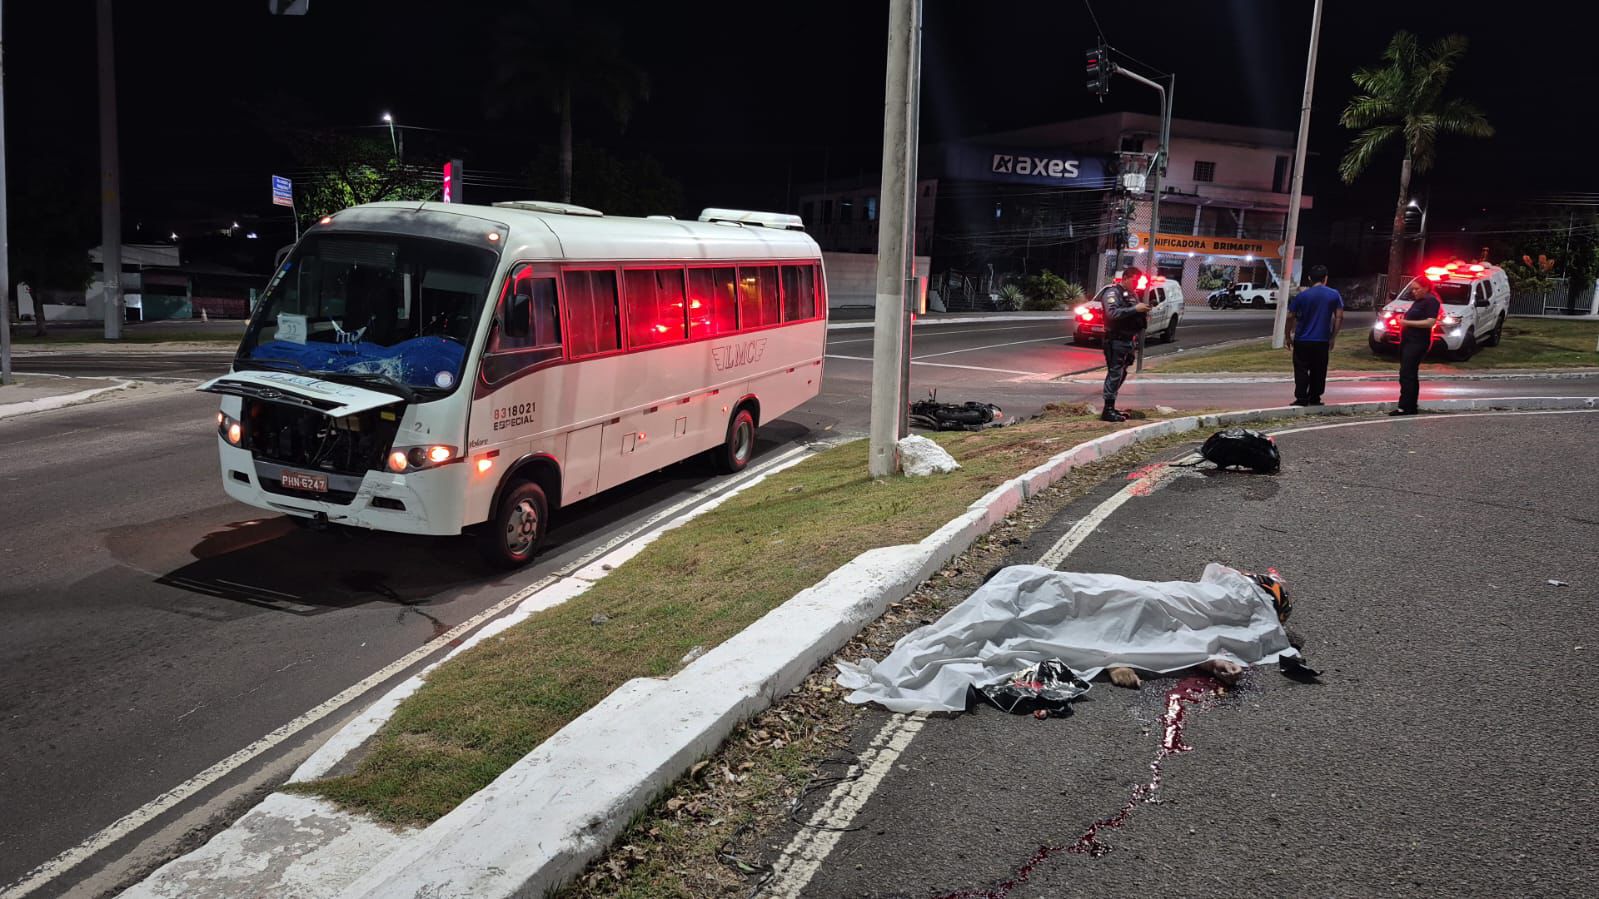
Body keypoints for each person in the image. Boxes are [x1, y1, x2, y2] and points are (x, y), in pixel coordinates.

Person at [1099, 265, 1154, 422]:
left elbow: (1132, 314)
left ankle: (1111, 406)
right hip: (1115, 340)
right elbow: (1112, 314)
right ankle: (1107, 409)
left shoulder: (1131, 295)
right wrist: (1135, 309)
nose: (1136, 284)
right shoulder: (1112, 293)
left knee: (1121, 373)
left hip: (1128, 340)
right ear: (1125, 278)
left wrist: (1143, 311)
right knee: (1115, 373)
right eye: (1134, 281)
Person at [1284, 264, 1344, 406]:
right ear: (1325, 278)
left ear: (1309, 278)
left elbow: (1290, 316)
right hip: (1322, 339)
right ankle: (1315, 397)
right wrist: (1333, 337)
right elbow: (1339, 317)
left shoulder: (1301, 296)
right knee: (1319, 370)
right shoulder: (1334, 294)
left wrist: (1287, 335)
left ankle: (1301, 398)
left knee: (1301, 369)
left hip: (1302, 339)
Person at [1393, 278, 1442, 415]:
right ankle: (1410, 406)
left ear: (1426, 288)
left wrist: (1406, 323)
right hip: (1408, 340)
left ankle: (1405, 407)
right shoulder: (1418, 301)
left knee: (1407, 374)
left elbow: (1430, 322)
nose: (1414, 292)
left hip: (1418, 342)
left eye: (1417, 289)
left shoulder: (1431, 301)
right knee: (1408, 374)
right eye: (1412, 289)